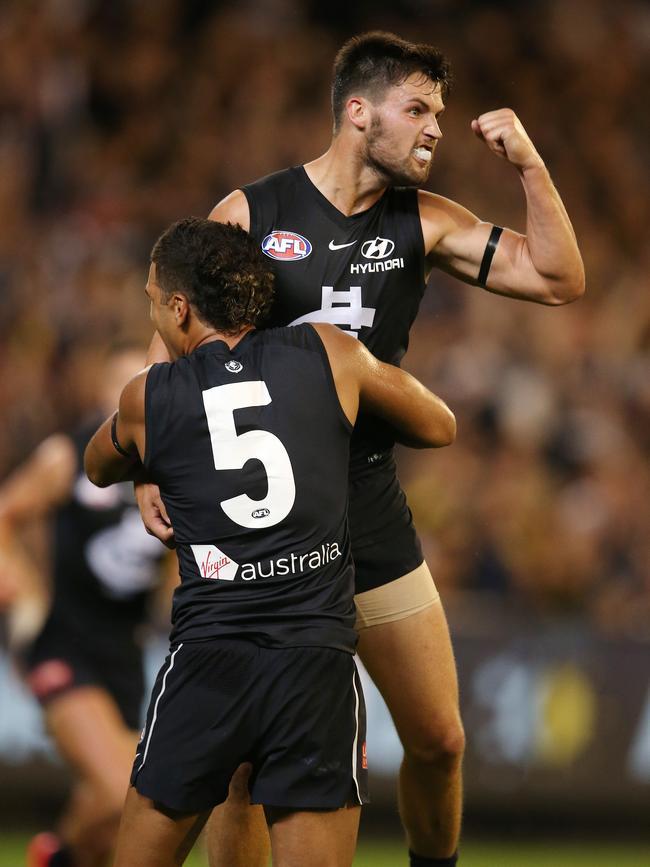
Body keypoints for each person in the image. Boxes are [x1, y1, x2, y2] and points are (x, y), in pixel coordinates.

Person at [140, 31, 585, 867]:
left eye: (440, 115)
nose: (434, 130)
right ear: (357, 112)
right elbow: (173, 325)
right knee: (242, 766)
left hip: (368, 502)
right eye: (417, 109)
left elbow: (559, 278)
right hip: (267, 517)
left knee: (441, 738)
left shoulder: (424, 221)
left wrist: (529, 163)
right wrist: (152, 470)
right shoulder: (253, 214)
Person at [84, 217, 456, 867]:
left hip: (210, 658)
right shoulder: (327, 353)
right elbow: (438, 423)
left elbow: (96, 463)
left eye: (152, 299)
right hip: (315, 662)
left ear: (179, 308)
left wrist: (149, 463)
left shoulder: (151, 398)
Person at [0, 344, 167, 867]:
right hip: (63, 642)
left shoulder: (173, 468)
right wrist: (26, 595)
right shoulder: (68, 455)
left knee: (107, 817)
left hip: (125, 650)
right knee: (128, 788)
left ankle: (56, 856)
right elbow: (5, 516)